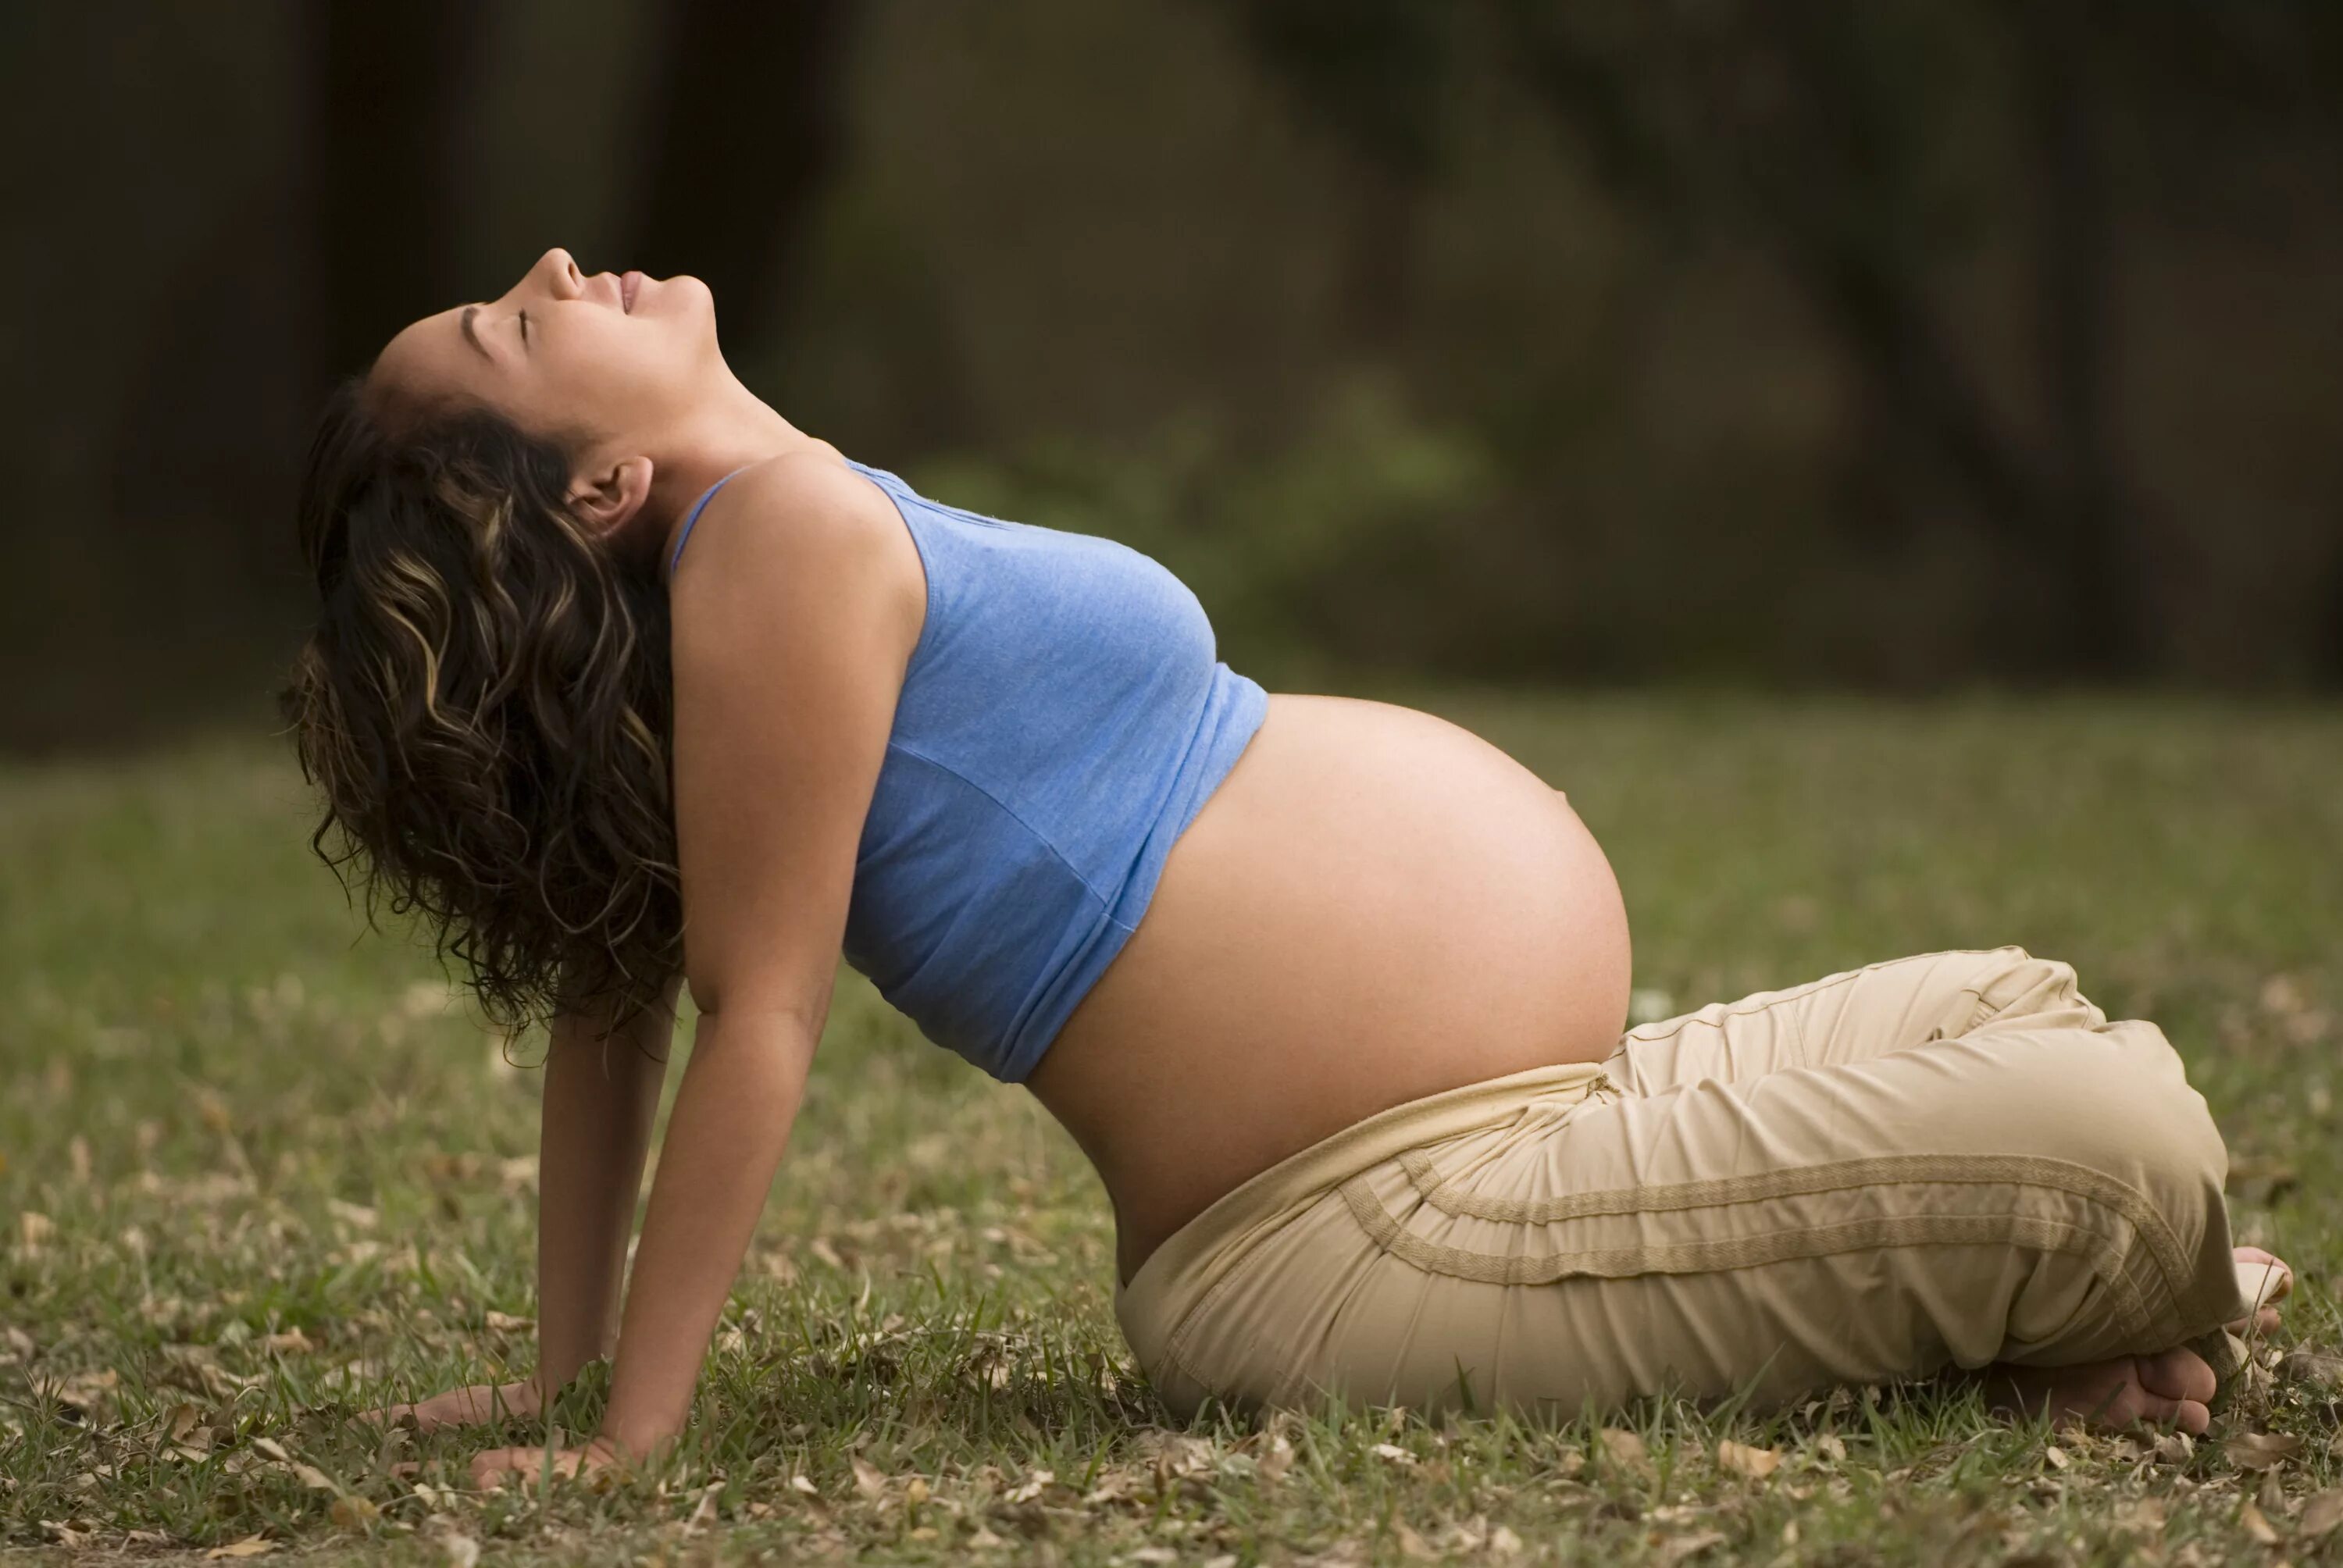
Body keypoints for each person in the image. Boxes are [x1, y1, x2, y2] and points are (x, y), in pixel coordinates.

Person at [281, 248, 2289, 1487]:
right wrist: (629, 1424)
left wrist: (565, 1375)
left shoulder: (784, 545)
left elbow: (606, 984)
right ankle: (2072, 1286)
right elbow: (747, 1008)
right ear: (605, 482)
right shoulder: (778, 544)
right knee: (2111, 1139)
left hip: (1526, 1124)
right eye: (514, 324)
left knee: (2001, 1000)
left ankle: (2036, 1327)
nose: (554, 263)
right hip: (1366, 1232)